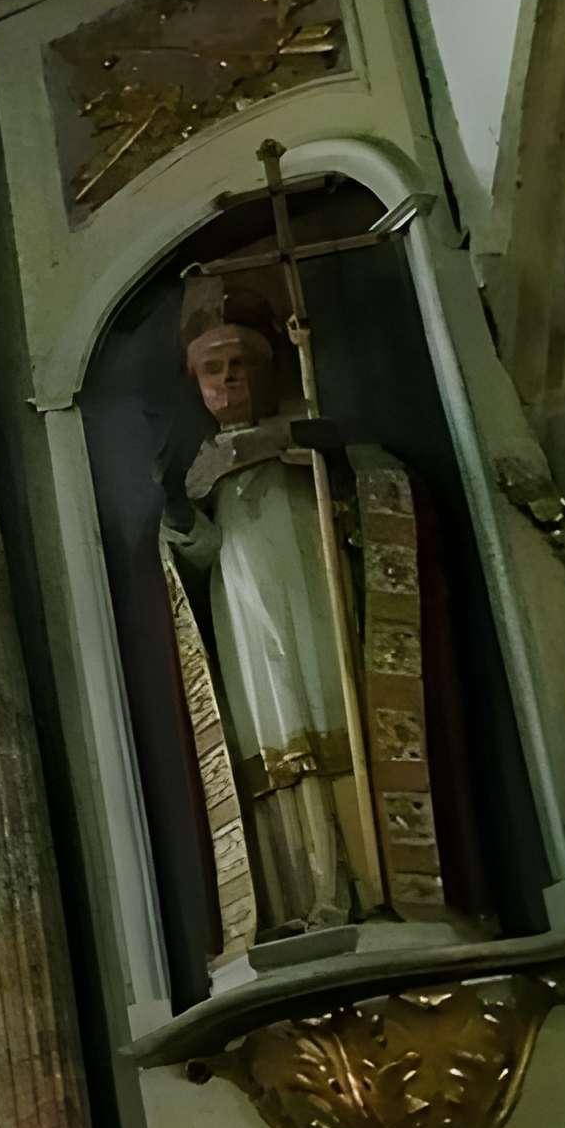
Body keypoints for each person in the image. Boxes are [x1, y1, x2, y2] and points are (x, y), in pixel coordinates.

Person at [160, 279, 364, 940]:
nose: (228, 379)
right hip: (245, 610)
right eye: (213, 369)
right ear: (195, 383)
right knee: (273, 743)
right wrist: (177, 519)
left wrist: (319, 450)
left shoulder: (304, 438)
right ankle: (301, 896)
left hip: (313, 594)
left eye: (240, 363)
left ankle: (365, 882)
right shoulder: (202, 466)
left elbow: (357, 504)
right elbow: (205, 546)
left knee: (338, 719)